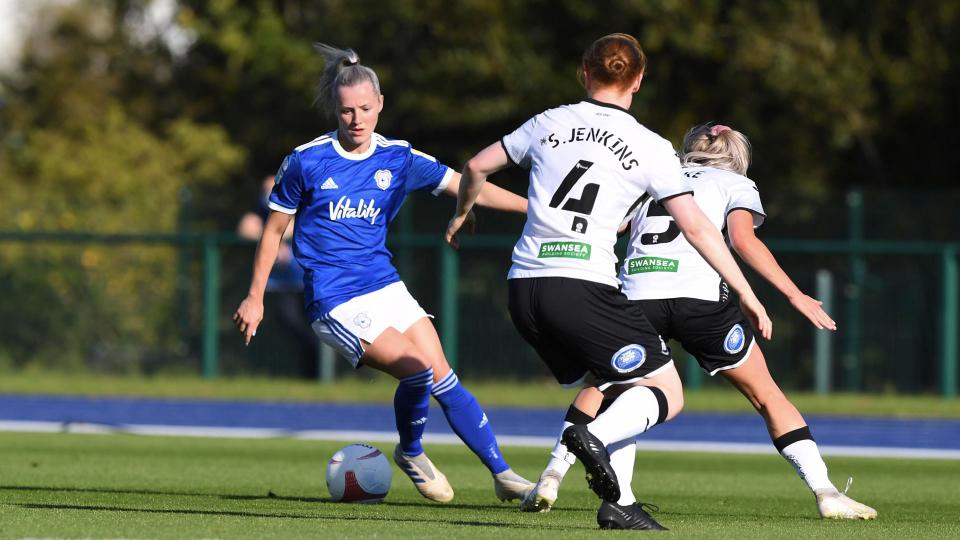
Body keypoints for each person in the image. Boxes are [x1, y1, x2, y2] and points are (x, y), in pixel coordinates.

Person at [446, 33, 771, 530]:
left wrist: (463, 209)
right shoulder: (649, 145)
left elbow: (475, 166)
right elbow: (698, 228)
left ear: (584, 72)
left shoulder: (547, 122)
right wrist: (747, 293)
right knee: (666, 389)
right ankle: (590, 438)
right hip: (582, 288)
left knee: (622, 383)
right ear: (638, 80)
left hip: (524, 289)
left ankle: (620, 502)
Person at [523, 123, 878, 521]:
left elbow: (613, 224)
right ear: (738, 155)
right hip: (701, 298)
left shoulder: (656, 176)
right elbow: (743, 241)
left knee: (605, 387)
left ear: (690, 147)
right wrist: (793, 295)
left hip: (638, 294)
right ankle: (825, 492)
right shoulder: (735, 183)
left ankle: (552, 475)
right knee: (767, 395)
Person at [233, 43, 533, 503]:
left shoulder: (398, 158)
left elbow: (467, 184)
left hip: (384, 285)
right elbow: (273, 232)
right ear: (336, 109)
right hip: (334, 299)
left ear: (381, 105)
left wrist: (536, 212)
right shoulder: (306, 160)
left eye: (365, 109)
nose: (356, 119)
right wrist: (256, 297)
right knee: (416, 373)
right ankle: (411, 452)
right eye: (347, 110)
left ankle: (504, 475)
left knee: (443, 375)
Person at [237, 174, 318, 378]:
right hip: (282, 286)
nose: (268, 194)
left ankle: (318, 372)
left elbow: (289, 226)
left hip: (309, 282)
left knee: (318, 328)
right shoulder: (262, 211)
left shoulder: (301, 206)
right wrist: (271, 238)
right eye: (265, 190)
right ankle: (308, 372)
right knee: (291, 324)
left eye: (272, 188)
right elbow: (246, 228)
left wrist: (275, 234)